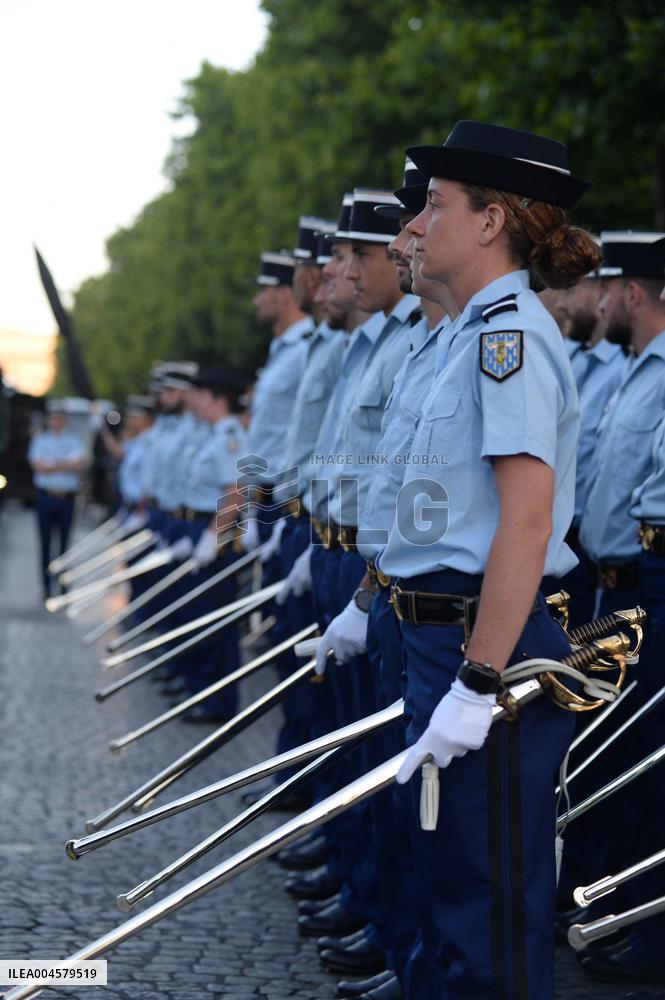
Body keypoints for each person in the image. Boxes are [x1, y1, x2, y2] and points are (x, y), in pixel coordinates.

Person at [370, 120, 599, 999]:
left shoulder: (510, 339)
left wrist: (478, 681)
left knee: (486, 895)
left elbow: (527, 522)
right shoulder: (470, 334)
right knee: (447, 881)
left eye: (434, 205)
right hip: (442, 636)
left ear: (491, 221)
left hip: (482, 643)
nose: (418, 225)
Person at [28, 402, 86, 600]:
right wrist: (64, 464)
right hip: (46, 496)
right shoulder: (40, 440)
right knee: (44, 542)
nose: (56, 422)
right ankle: (45, 586)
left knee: (64, 543)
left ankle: (62, 585)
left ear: (65, 421)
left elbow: (77, 464)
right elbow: (38, 467)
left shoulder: (74, 441)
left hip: (66, 497)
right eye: (53, 418)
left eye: (60, 418)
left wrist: (52, 464)